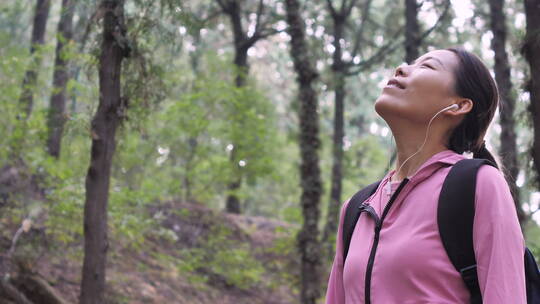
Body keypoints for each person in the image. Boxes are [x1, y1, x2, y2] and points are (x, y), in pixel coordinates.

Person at [324, 47, 527, 303]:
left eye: (427, 66)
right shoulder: (356, 208)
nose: (401, 69)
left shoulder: (478, 185)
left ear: (459, 105)